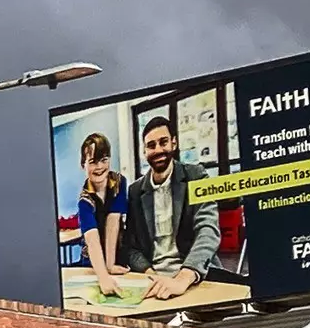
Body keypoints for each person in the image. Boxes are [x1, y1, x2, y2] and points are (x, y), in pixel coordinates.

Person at [118, 114, 222, 300]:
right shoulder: (135, 191)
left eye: (163, 142)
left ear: (174, 143)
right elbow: (130, 247)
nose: (158, 150)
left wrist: (183, 278)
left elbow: (208, 231)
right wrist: (151, 274)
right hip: (153, 279)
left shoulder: (197, 175)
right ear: (144, 152)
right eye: (151, 145)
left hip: (193, 275)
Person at [72, 131, 130, 296]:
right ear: (83, 165)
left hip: (115, 255)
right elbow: (92, 240)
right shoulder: (84, 201)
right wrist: (103, 276)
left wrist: (110, 266)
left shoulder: (119, 182)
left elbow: (113, 223)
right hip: (92, 262)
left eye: (103, 160)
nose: (99, 167)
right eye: (92, 162)